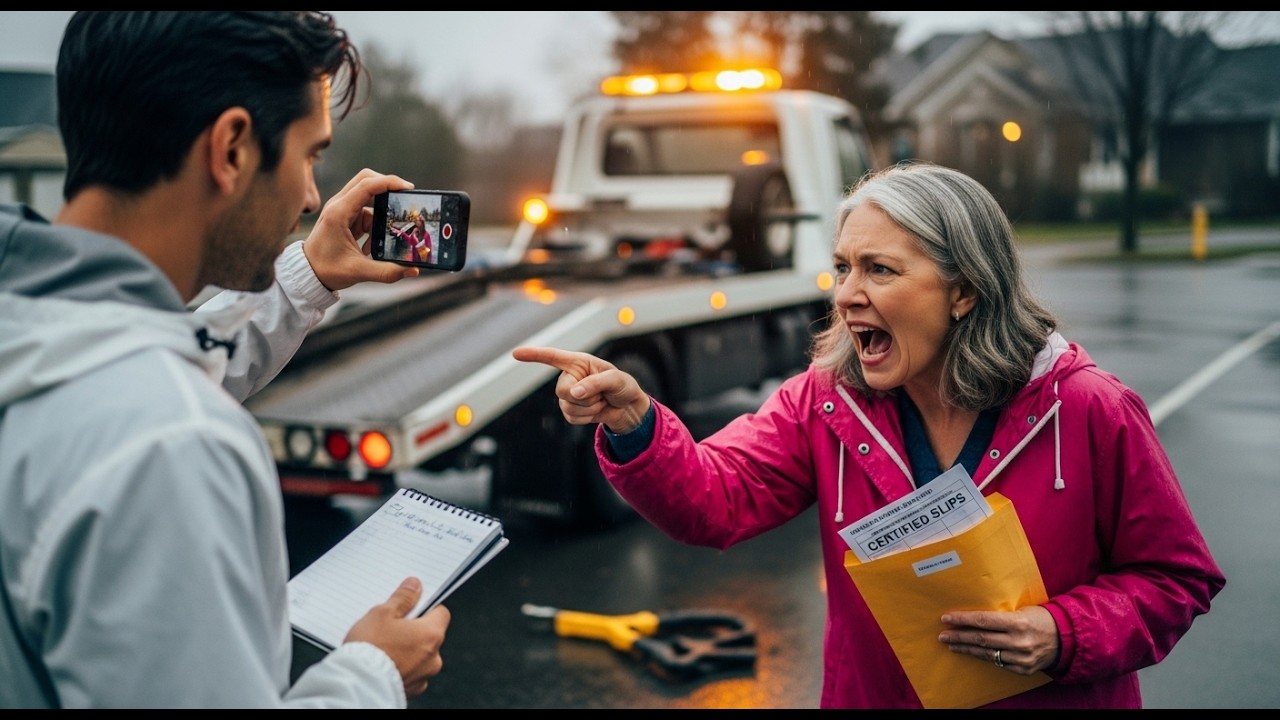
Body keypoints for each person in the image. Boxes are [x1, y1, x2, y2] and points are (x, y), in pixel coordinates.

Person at [513, 162, 1225, 709]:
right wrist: (637, 423)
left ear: (964, 290)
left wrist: (1064, 633)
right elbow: (714, 501)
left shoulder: (1090, 410)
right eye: (844, 267)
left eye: (880, 269)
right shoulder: (824, 404)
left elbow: (1176, 578)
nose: (847, 293)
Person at [0, 12, 452, 708]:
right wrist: (372, 674)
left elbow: (149, 358)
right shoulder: (172, 447)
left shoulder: (34, 325)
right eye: (309, 155)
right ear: (233, 148)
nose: (310, 198)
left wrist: (309, 276)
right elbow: (152, 401)